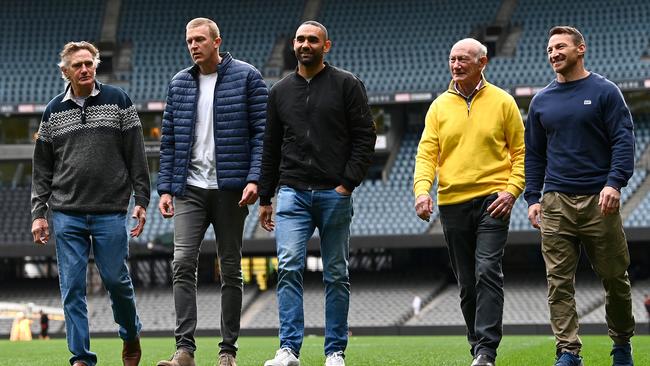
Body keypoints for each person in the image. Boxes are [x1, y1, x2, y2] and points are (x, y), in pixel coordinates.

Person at [258, 20, 376, 366]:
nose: (304, 44)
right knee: (289, 268)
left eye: (312, 39)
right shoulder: (279, 91)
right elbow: (270, 147)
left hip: (333, 194)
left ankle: (334, 351)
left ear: (327, 46)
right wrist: (266, 197)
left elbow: (365, 137)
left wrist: (347, 184)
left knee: (336, 273)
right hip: (292, 192)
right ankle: (288, 350)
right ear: (293, 45)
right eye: (299, 39)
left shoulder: (347, 84)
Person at [155, 17, 267, 366]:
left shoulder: (247, 77)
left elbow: (263, 134)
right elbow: (170, 140)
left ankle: (227, 352)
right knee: (182, 262)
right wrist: (165, 188)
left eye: (200, 39)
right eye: (189, 40)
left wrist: (254, 179)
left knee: (231, 268)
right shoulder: (179, 83)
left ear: (217, 41)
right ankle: (184, 350)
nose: (193, 45)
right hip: (190, 188)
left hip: (231, 189)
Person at [31, 41, 149, 366]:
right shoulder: (53, 111)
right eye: (77, 65)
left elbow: (137, 156)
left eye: (89, 63)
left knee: (116, 280)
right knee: (71, 288)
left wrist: (142, 200)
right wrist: (38, 213)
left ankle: (130, 333)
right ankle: (81, 357)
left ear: (96, 65)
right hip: (66, 213)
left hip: (110, 211)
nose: (85, 69)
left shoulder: (119, 101)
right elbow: (41, 168)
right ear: (65, 71)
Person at [525, 26, 636, 366]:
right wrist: (533, 198)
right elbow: (534, 155)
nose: (553, 53)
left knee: (615, 278)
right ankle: (568, 352)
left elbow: (623, 139)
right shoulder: (540, 101)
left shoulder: (605, 92)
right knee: (558, 283)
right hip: (556, 202)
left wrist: (614, 183)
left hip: (598, 201)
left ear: (580, 49)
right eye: (549, 49)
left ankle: (620, 345)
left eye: (560, 47)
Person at [413, 38, 525, 366]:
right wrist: (422, 191)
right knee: (466, 283)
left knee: (487, 269)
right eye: (452, 59)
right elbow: (426, 154)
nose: (456, 64)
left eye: (463, 59)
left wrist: (512, 190)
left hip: (494, 199)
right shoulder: (438, 107)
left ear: (482, 62)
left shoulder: (503, 102)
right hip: (452, 203)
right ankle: (477, 346)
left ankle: (487, 350)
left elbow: (520, 153)